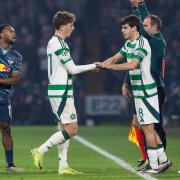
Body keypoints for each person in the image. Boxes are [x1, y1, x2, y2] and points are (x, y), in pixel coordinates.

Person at [96, 15, 170, 174]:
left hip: (146, 91)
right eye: (122, 28)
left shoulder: (143, 43)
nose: (122, 30)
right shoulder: (129, 43)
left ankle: (154, 165)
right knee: (148, 127)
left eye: (125, 28)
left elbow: (133, 64)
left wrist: (109, 68)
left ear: (134, 28)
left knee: (147, 128)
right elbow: (116, 58)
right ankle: (163, 160)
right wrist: (103, 64)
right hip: (139, 91)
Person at [31, 11, 98, 175]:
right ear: (62, 27)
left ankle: (63, 165)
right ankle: (40, 150)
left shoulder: (57, 42)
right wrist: (93, 66)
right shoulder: (58, 43)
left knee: (63, 128)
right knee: (72, 130)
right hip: (61, 91)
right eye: (70, 25)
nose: (73, 28)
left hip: (59, 90)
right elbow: (72, 69)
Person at [122, 0, 167, 170]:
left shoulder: (156, 41)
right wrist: (126, 82)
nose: (143, 28)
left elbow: (140, 33)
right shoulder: (143, 42)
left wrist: (139, 6)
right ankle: (153, 158)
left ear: (155, 28)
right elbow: (134, 62)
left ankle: (158, 159)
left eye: (146, 26)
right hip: (141, 87)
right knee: (139, 124)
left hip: (154, 88)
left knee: (153, 126)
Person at [0, 24, 24, 172]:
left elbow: (14, 79)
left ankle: (10, 164)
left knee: (6, 129)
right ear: (1, 35)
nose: (14, 33)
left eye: (15, 31)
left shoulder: (16, 56)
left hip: (3, 97)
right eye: (10, 31)